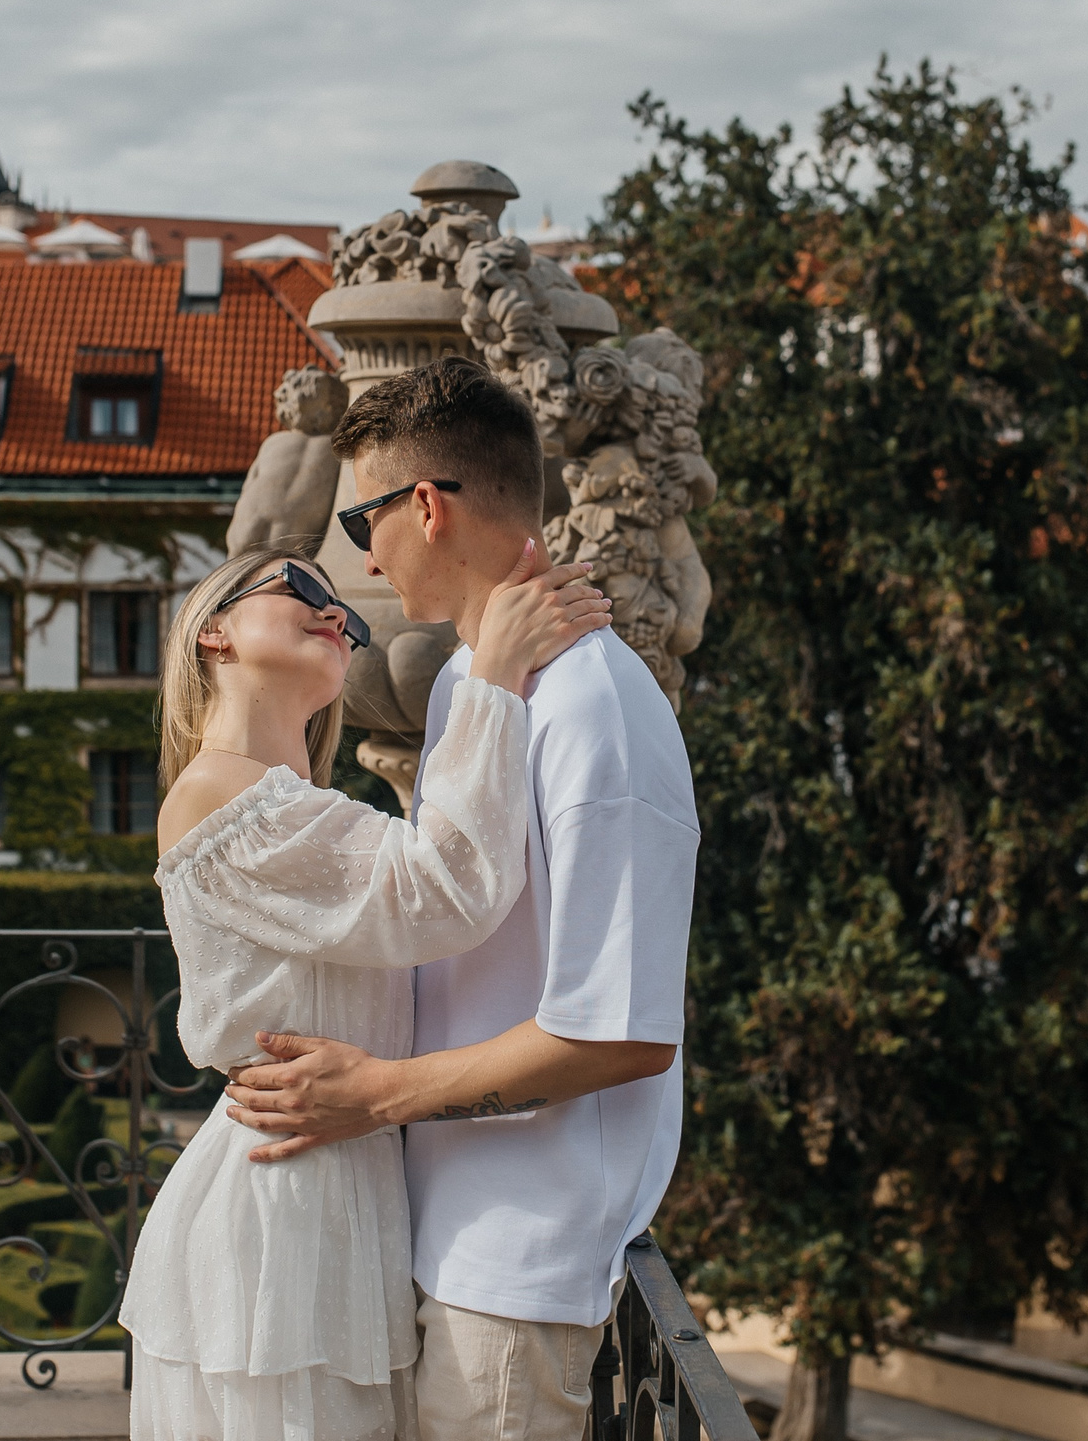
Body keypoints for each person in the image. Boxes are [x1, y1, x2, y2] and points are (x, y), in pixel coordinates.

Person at [226, 358, 701, 1440]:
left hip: (518, 1260)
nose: (361, 553)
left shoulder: (596, 710)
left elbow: (621, 1031)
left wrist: (378, 1091)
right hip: (442, 1225)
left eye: (362, 518)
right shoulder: (467, 681)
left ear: (425, 507)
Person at [122, 537, 611, 1440]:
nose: (335, 607)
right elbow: (440, 890)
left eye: (337, 600)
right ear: (213, 635)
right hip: (280, 1209)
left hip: (338, 1195)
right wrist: (494, 672)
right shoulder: (216, 792)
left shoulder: (302, 802)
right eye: (301, 586)